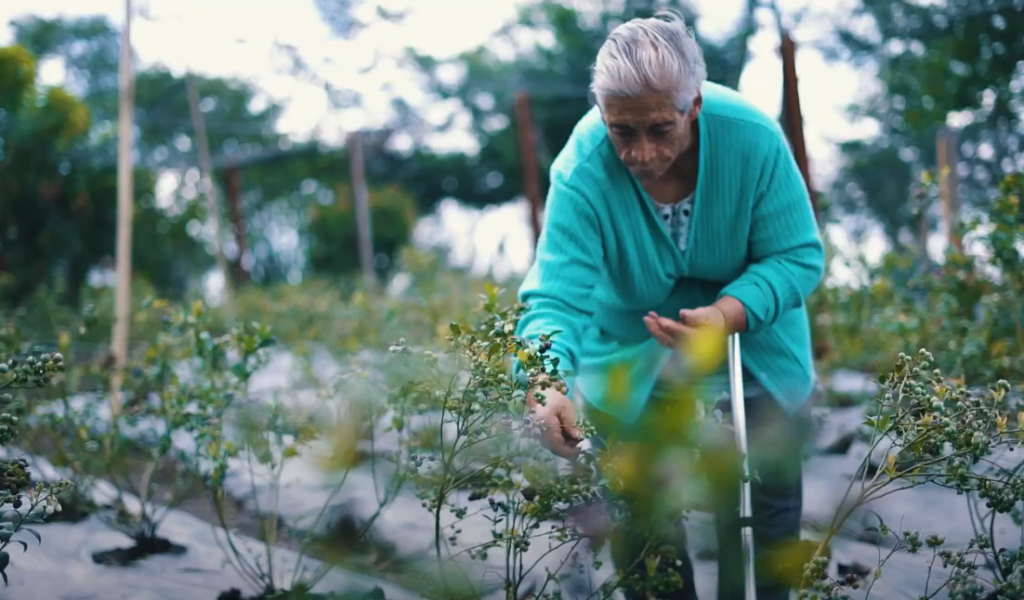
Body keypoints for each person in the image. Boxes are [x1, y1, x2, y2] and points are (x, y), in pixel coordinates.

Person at [513, 8, 826, 600]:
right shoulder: (581, 170)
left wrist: (726, 315)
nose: (640, 152)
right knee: (642, 526)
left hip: (752, 346)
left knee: (767, 516)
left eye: (660, 128)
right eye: (621, 131)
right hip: (630, 353)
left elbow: (797, 256)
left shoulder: (753, 139)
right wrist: (546, 378)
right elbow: (556, 296)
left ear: (695, 107)